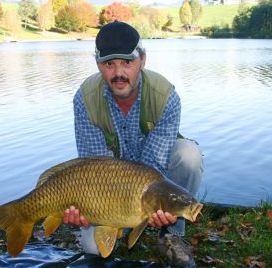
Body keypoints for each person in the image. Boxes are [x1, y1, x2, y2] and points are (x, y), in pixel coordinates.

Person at [64, 21, 203, 266]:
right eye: (109, 64)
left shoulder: (165, 95)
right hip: (109, 188)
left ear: (143, 60)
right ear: (99, 65)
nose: (118, 73)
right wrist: (85, 208)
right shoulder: (85, 99)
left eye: (127, 62)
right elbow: (95, 171)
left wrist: (152, 211)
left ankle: (172, 233)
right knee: (94, 249)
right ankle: (122, 227)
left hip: (147, 180)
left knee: (189, 154)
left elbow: (154, 167)